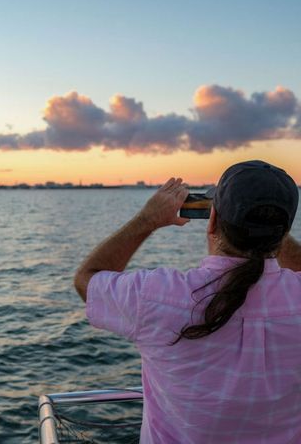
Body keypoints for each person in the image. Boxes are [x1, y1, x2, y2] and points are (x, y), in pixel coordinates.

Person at [74, 160, 301, 443]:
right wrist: (268, 227)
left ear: (213, 219)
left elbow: (87, 278)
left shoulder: (158, 297)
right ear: (283, 231)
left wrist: (148, 219)